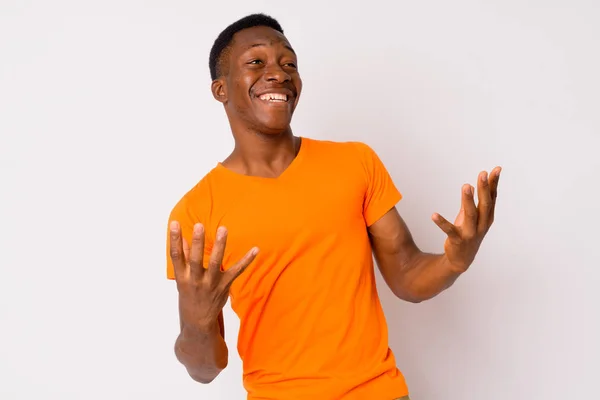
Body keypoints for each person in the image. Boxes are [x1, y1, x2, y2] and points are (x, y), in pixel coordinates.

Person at [165, 13, 501, 400]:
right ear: (220, 89)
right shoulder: (195, 212)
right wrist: (197, 322)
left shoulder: (355, 162)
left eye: (288, 63)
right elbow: (204, 369)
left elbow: (407, 276)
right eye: (256, 61)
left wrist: (454, 260)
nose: (278, 73)